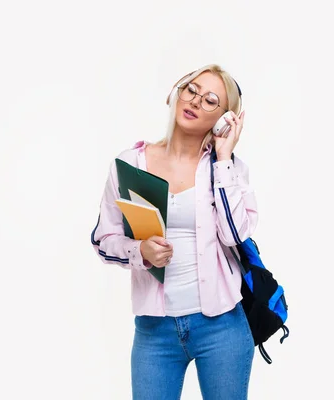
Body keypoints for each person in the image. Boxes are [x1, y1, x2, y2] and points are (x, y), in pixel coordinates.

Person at [90, 63, 259, 400]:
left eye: (211, 100)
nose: (196, 101)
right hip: (155, 331)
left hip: (222, 326)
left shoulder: (230, 169)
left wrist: (223, 158)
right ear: (176, 93)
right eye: (191, 90)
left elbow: (235, 235)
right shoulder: (130, 164)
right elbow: (102, 239)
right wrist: (141, 252)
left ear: (226, 119)